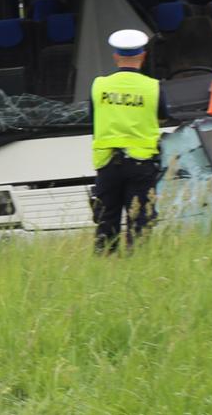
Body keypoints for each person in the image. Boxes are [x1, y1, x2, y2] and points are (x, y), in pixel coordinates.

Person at [90, 29, 165, 254]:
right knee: (141, 224)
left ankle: (105, 268)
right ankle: (138, 267)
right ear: (143, 56)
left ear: (115, 56)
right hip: (141, 164)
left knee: (106, 222)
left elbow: (93, 118)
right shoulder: (154, 87)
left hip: (107, 164)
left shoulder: (99, 86)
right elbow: (160, 117)